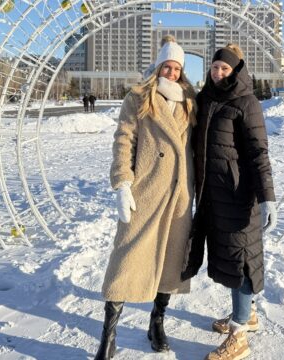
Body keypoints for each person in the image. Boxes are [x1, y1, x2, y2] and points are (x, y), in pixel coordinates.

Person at [93, 39, 197, 359]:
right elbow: (124, 142)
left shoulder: (191, 102)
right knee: (127, 260)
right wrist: (123, 184)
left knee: (170, 261)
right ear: (158, 66)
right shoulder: (138, 97)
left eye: (177, 67)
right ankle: (109, 335)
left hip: (179, 194)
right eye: (168, 65)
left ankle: (157, 322)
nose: (172, 71)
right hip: (147, 191)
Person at [181, 44, 277, 360]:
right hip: (213, 195)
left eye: (224, 68)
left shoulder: (246, 103)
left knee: (242, 261)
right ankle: (246, 315)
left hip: (238, 197)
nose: (217, 72)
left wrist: (267, 198)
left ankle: (239, 336)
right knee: (229, 258)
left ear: (235, 71)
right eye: (214, 67)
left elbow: (258, 153)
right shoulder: (206, 100)